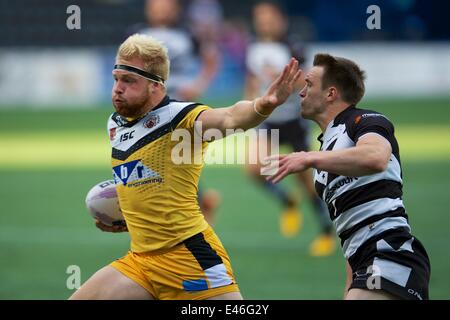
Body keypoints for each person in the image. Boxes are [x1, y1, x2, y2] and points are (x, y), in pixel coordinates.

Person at [70, 33, 301, 300]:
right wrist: (131, 219)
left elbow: (228, 118)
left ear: (156, 86)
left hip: (190, 259)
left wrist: (264, 104)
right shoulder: (115, 124)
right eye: (116, 79)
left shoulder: (182, 119)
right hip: (141, 262)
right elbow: (143, 182)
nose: (118, 88)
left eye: (129, 81)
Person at [265, 53, 430, 300]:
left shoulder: (364, 120)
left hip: (390, 252)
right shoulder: (326, 148)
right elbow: (351, 236)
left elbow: (375, 157)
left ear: (331, 94)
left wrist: (309, 158)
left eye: (308, 84)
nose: (300, 92)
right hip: (364, 261)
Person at [244, 1, 335, 256]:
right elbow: (251, 79)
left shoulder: (293, 45)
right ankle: (287, 200)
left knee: (307, 182)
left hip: (293, 121)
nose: (264, 23)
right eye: (259, 18)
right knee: (254, 168)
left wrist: (286, 80)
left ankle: (326, 231)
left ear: (280, 19)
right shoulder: (253, 46)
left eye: (269, 18)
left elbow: (310, 79)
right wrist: (247, 106)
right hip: (267, 119)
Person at [129, 0, 222, 224]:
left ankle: (186, 210)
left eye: (165, 6)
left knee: (175, 159)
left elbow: (212, 60)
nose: (161, 10)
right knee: (150, 160)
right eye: (156, 6)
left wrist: (198, 85)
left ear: (175, 10)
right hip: (148, 109)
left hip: (178, 107)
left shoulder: (189, 34)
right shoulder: (137, 35)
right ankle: (200, 200)